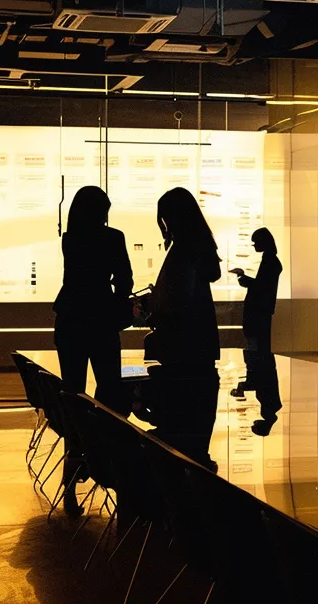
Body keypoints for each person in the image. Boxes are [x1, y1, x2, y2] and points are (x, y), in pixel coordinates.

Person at [142, 187, 224, 465]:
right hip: (197, 346)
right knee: (194, 434)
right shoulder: (198, 248)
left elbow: (177, 303)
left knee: (181, 432)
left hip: (182, 347)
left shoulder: (183, 251)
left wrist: (154, 307)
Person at [54, 186, 134, 414]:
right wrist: (120, 306)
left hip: (70, 317)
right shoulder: (114, 238)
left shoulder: (70, 239)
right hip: (102, 317)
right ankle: (103, 432)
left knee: (73, 389)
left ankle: (76, 434)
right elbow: (124, 279)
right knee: (109, 386)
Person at [230, 228, 283, 432]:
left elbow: (261, 288)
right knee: (259, 347)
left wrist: (244, 279)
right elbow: (263, 286)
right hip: (262, 310)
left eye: (255, 242)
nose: (254, 246)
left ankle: (254, 370)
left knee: (257, 346)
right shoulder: (271, 260)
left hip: (258, 311)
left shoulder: (269, 261)